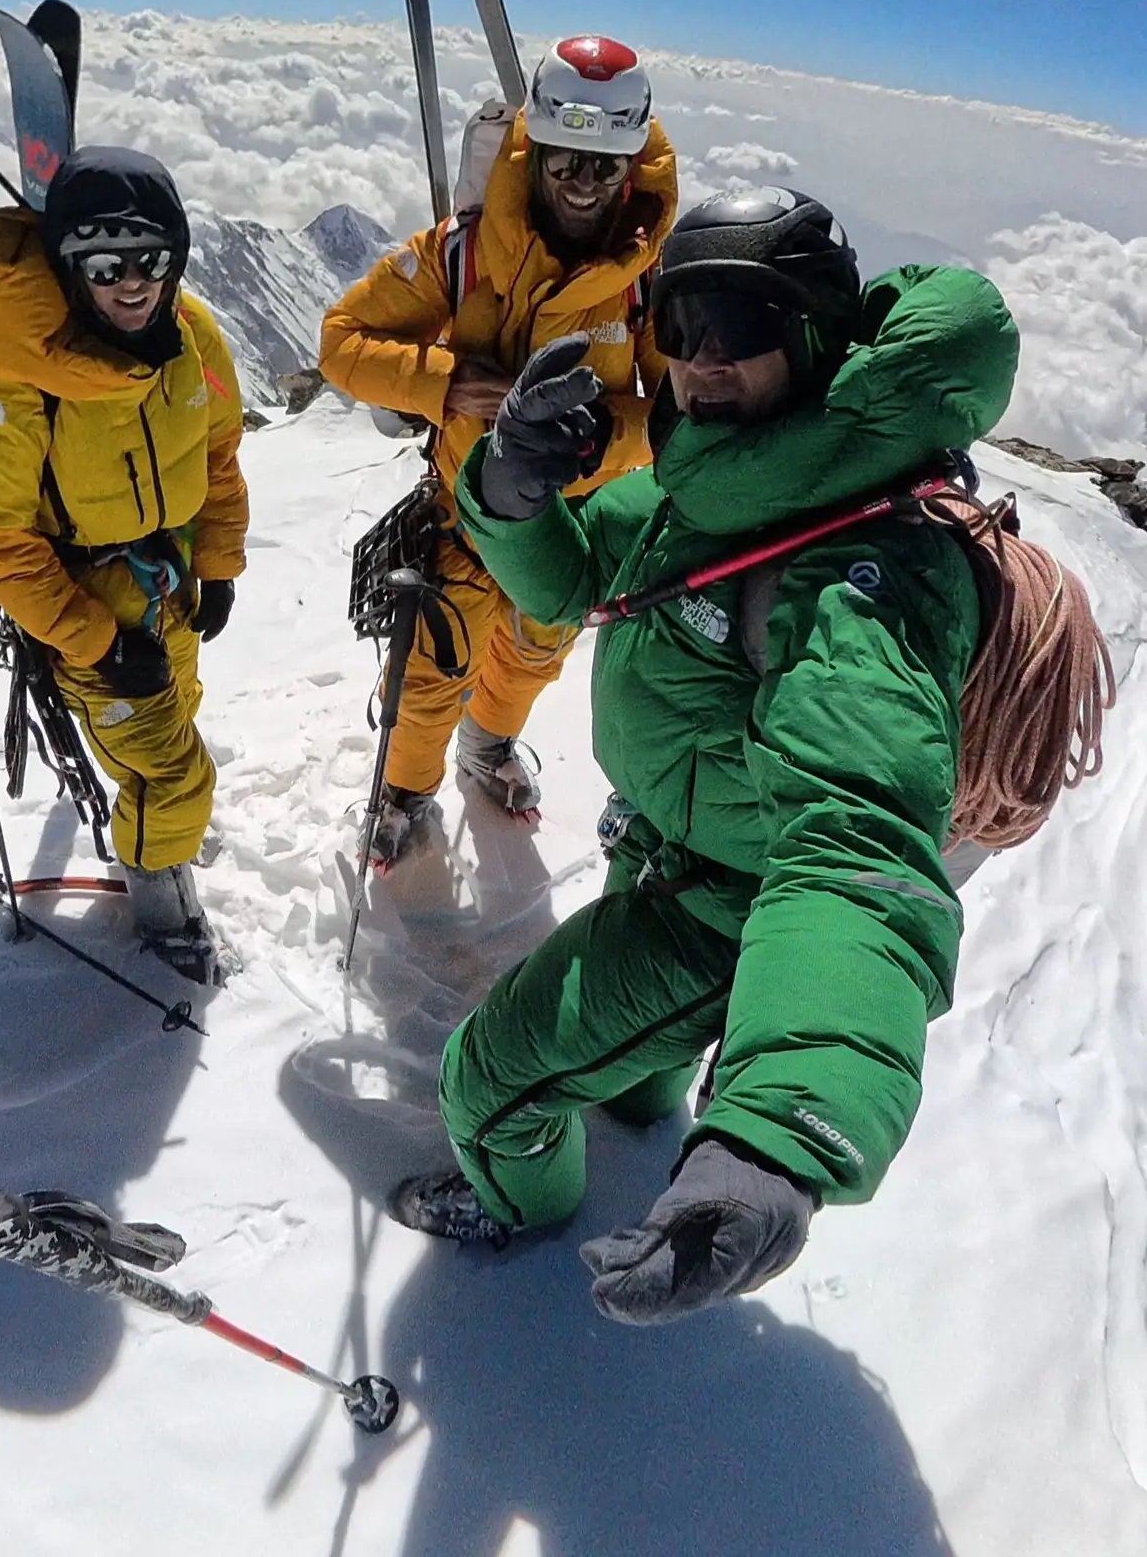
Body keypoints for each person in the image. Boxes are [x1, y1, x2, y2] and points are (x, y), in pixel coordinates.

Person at [388, 187, 1021, 1323]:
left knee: (487, 1084)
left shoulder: (851, 572)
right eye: (680, 326)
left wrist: (781, 1133)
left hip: (727, 911)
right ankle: (640, 1106)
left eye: (741, 324)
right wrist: (511, 486)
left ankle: (519, 1213)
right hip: (669, 850)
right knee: (632, 1075)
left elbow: (855, 849)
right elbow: (578, 573)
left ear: (822, 336)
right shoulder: (732, 487)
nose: (701, 363)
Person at [318, 36, 678, 862]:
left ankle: (484, 750)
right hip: (465, 515)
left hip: (574, 529)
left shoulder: (651, 278)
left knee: (529, 652)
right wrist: (446, 383)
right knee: (431, 665)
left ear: (632, 166)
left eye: (605, 166)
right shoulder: (465, 250)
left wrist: (597, 446)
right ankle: (406, 786)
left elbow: (672, 415)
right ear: (539, 149)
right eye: (566, 162)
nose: (584, 184)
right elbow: (341, 341)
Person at [0, 145, 247, 984]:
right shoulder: (10, 383)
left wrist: (218, 562)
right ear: (68, 271)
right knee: (174, 771)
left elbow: (219, 454)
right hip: (86, 608)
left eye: (152, 258)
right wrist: (94, 641)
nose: (132, 282)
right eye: (103, 264)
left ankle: (160, 834)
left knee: (176, 716)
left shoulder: (194, 337)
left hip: (170, 584)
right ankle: (161, 911)